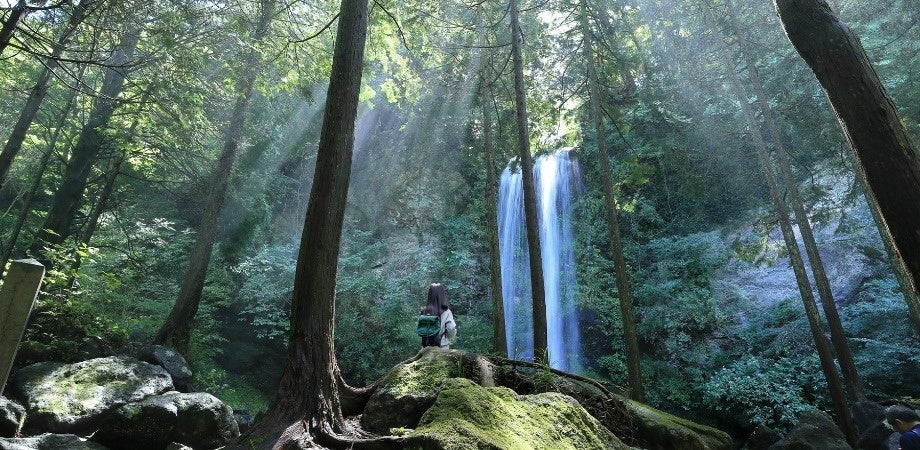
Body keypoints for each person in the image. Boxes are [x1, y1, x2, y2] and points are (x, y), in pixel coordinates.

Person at [419, 283, 457, 349]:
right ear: (442, 295)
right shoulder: (446, 312)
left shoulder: (424, 311)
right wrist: (449, 336)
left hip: (425, 347)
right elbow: (451, 329)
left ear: (430, 295)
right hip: (442, 346)